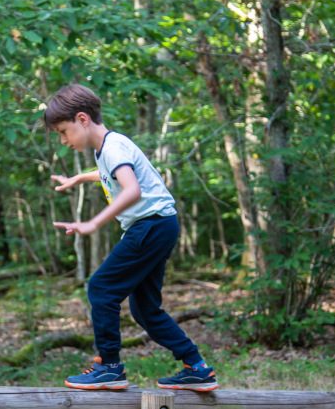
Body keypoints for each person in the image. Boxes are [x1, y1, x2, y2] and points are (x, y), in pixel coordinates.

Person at [45, 83, 218, 392]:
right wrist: (78, 178)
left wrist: (93, 223)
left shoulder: (112, 148)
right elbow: (110, 174)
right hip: (160, 225)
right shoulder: (109, 148)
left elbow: (132, 189)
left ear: (82, 119)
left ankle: (110, 366)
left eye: (63, 131)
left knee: (101, 288)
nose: (63, 140)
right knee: (144, 309)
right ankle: (197, 367)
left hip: (149, 226)